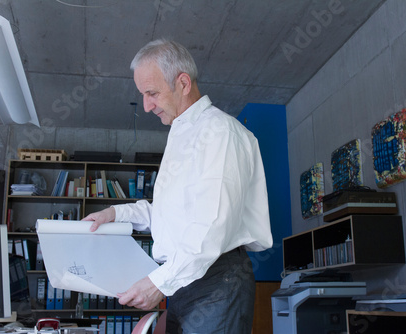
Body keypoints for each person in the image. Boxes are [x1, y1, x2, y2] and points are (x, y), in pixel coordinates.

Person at [82, 39, 273, 333]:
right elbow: (169, 213)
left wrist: (158, 283)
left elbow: (211, 226)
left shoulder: (218, 132)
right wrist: (114, 214)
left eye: (152, 93)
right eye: (143, 95)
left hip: (215, 279)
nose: (146, 106)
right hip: (185, 278)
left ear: (183, 83)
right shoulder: (182, 133)